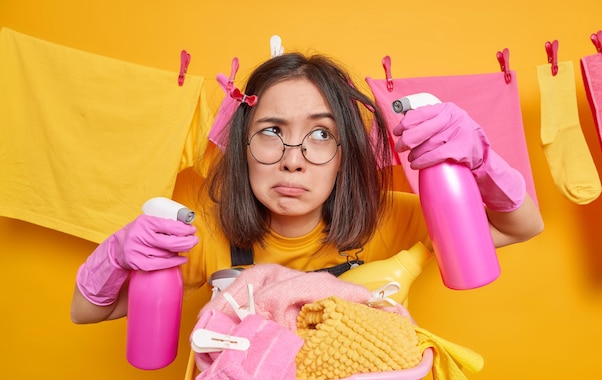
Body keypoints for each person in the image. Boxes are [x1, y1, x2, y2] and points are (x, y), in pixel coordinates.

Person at [70, 52, 544, 324]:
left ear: (345, 155)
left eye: (320, 135)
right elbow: (88, 312)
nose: (292, 160)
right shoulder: (205, 231)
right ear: (243, 146)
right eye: (271, 131)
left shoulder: (394, 217)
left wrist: (480, 160)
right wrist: (114, 255)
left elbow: (523, 226)